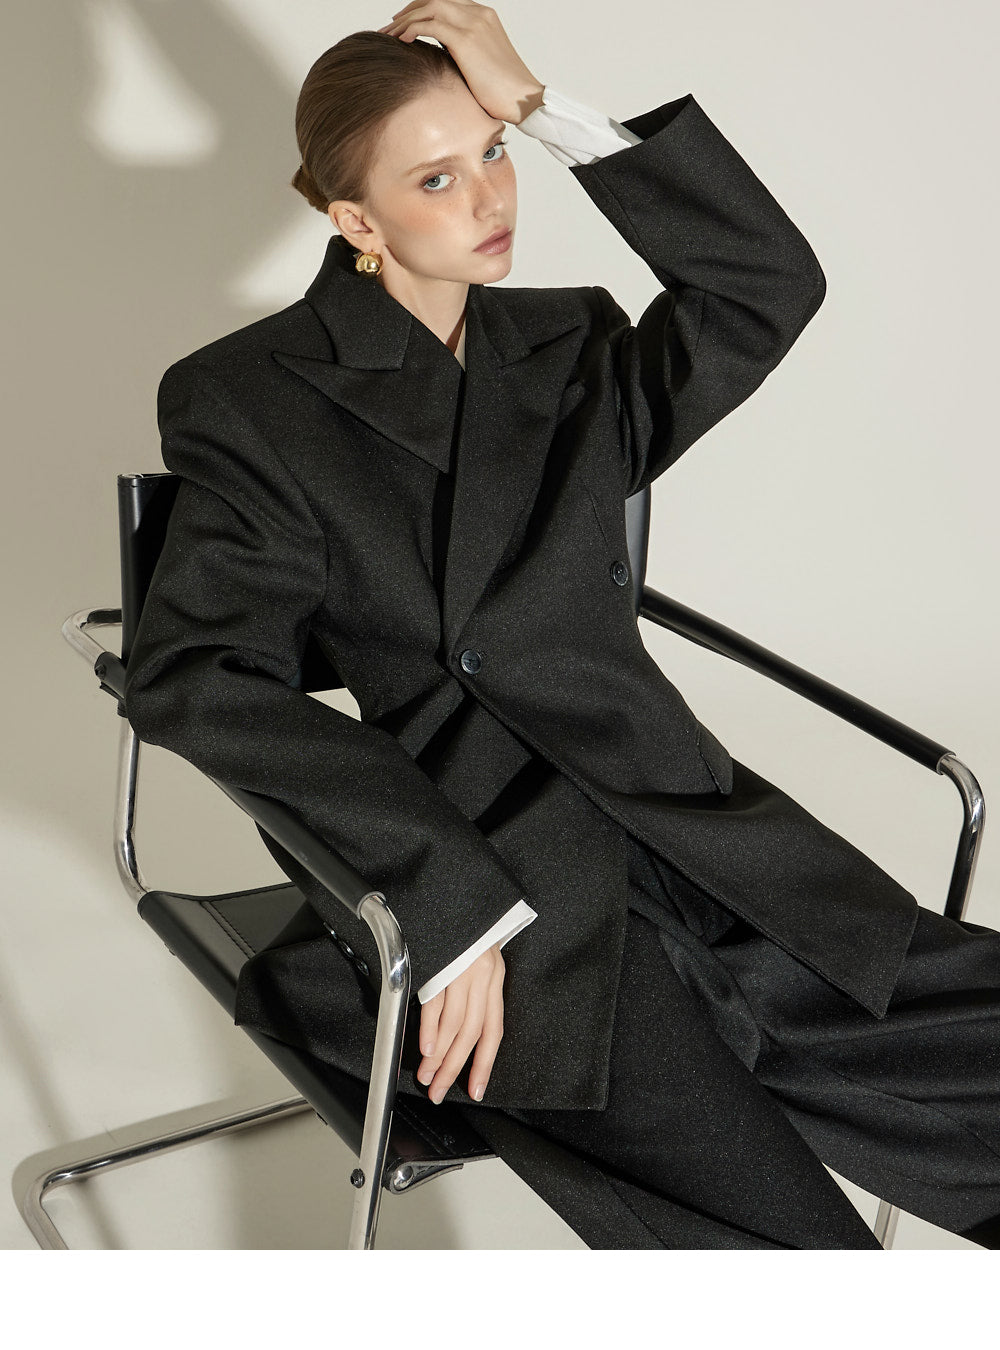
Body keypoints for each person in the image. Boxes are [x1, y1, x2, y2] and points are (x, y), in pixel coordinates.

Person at [124, 2, 1000, 1249]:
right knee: (791, 1254)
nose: (489, 196)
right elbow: (197, 674)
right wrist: (446, 909)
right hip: (492, 871)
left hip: (692, 829)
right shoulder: (251, 397)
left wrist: (539, 106)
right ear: (355, 221)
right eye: (436, 177)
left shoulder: (569, 340)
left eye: (491, 153)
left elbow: (765, 286)